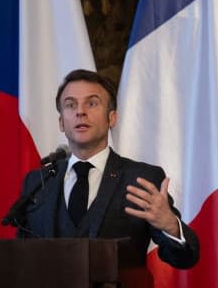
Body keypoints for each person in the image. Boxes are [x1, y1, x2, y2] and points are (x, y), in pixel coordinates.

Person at [17, 69, 199, 269]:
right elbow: (21, 257)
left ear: (111, 118)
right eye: (70, 105)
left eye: (92, 103)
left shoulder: (142, 179)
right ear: (61, 122)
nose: (80, 111)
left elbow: (184, 259)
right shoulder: (38, 182)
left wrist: (171, 225)